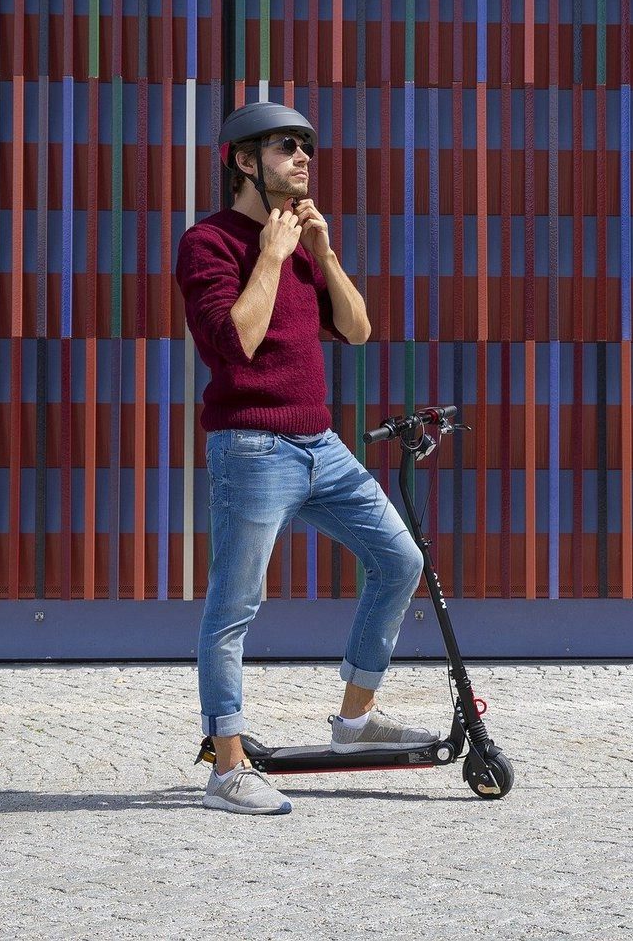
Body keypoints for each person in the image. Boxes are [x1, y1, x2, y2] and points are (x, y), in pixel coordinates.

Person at [175, 100, 436, 815]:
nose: (303, 158)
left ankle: (355, 721)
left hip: (321, 444)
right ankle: (228, 769)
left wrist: (322, 253)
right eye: (286, 147)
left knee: (400, 560)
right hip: (252, 448)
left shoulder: (300, 243)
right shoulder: (208, 243)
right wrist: (269, 255)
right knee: (235, 605)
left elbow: (357, 329)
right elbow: (236, 343)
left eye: (306, 148)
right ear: (243, 161)